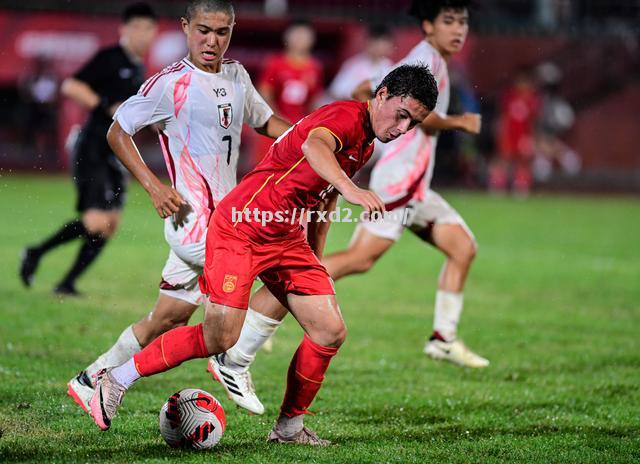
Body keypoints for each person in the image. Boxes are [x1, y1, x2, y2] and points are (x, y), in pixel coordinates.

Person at [88, 63, 438, 446]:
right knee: (220, 336)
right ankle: (115, 379)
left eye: (414, 123)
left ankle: (288, 428)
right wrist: (355, 191)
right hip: (241, 228)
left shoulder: (367, 141)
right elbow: (314, 147)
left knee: (329, 330)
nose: (403, 129)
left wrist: (316, 255)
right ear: (383, 94)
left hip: (286, 237)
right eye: (402, 115)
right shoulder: (344, 116)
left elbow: (327, 194)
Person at [209, 0, 488, 388]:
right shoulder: (425, 62)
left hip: (417, 185)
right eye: (449, 21)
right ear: (427, 25)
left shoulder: (432, 65)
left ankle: (443, 338)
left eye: (463, 22)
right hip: (397, 184)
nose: (458, 30)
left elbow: (380, 98)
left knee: (463, 248)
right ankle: (253, 329)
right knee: (352, 261)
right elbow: (373, 99)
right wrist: (458, 121)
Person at [66, 0, 290, 417]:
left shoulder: (236, 74)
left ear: (232, 31)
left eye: (222, 32)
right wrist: (153, 186)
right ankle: (232, 361)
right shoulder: (169, 84)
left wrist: (306, 136)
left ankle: (91, 378)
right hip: (197, 226)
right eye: (203, 30)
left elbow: (264, 122)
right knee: (288, 273)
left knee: (167, 317)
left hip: (225, 219)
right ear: (186, 27)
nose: (212, 40)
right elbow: (119, 132)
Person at [19, 3, 158, 296]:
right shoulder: (110, 58)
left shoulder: (138, 67)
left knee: (111, 223)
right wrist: (106, 106)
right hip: (92, 146)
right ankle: (35, 252)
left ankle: (66, 283)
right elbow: (71, 86)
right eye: (138, 27)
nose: (144, 34)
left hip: (116, 152)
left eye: (149, 29)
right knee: (96, 221)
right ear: (125, 29)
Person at [253, 19, 324, 162]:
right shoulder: (275, 63)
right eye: (296, 35)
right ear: (287, 37)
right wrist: (277, 118)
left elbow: (314, 100)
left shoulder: (315, 67)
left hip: (298, 127)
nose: (300, 40)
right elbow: (264, 93)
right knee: (265, 166)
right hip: (273, 123)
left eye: (304, 36)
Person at [489, 67, 541, 196]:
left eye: (524, 82)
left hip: (523, 135)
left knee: (522, 161)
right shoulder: (509, 96)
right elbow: (503, 117)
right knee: (503, 159)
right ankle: (498, 184)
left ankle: (521, 185)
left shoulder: (532, 99)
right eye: (519, 81)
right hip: (509, 134)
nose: (522, 84)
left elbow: (533, 122)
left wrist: (532, 138)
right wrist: (500, 132)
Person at [327, 24, 393, 102]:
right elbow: (336, 91)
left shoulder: (390, 68)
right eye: (376, 43)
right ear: (368, 43)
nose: (379, 47)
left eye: (383, 43)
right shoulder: (353, 65)